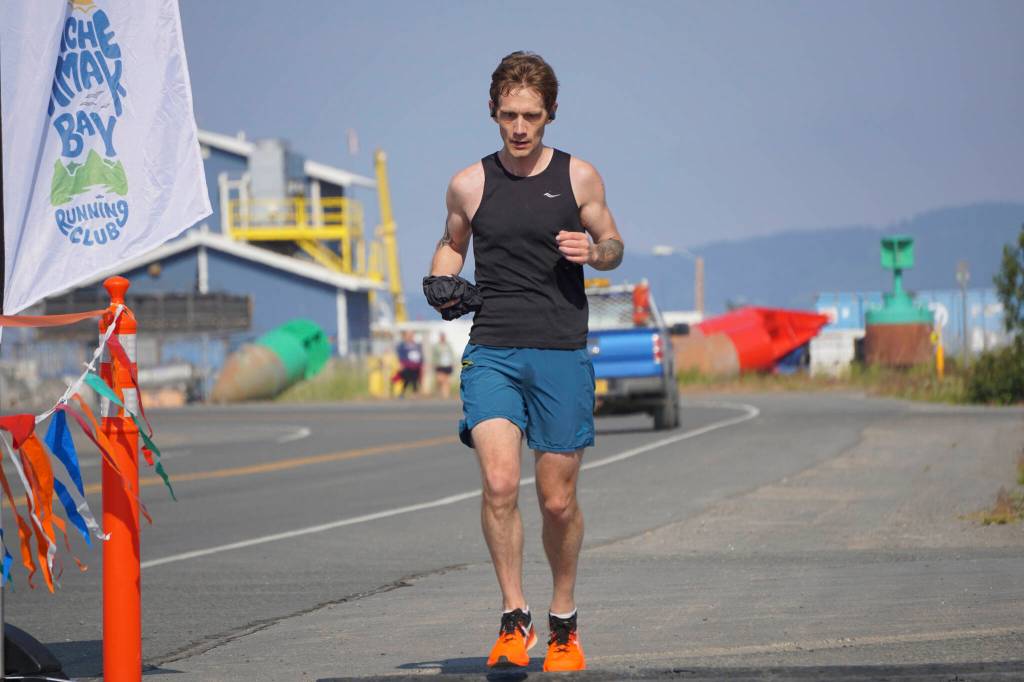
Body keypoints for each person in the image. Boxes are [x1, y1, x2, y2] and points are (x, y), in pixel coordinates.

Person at [428, 51, 624, 672]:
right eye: (509, 115)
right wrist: (440, 280)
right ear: (493, 111)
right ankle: (514, 618)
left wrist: (594, 252)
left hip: (561, 350)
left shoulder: (579, 177)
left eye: (531, 116)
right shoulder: (469, 183)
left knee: (557, 501)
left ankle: (564, 620)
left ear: (551, 114)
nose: (519, 128)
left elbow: (614, 244)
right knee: (499, 483)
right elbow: (451, 244)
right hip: (493, 350)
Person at [395, 330, 423, 397]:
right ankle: (402, 392)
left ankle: (415, 393)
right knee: (406, 379)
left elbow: (420, 354)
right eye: (408, 335)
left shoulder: (416, 345)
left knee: (415, 379)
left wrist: (422, 363)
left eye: (411, 335)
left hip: (416, 365)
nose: (410, 337)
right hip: (407, 365)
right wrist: (401, 363)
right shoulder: (402, 345)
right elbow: (400, 355)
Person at [433, 332, 455, 398]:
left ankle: (445, 394)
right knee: (440, 380)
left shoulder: (448, 345)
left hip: (448, 365)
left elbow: (452, 354)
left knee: (447, 381)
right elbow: (434, 355)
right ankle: (440, 392)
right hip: (439, 365)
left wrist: (453, 362)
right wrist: (434, 363)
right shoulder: (436, 346)